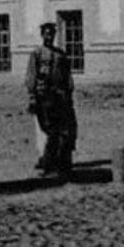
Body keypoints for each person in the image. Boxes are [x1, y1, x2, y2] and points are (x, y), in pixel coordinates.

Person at [25, 22, 77, 180]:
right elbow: (31, 75)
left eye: (52, 34)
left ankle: (63, 165)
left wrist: (69, 93)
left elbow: (67, 76)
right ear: (42, 35)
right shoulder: (37, 53)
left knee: (67, 131)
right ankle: (48, 165)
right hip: (44, 97)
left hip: (60, 97)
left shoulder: (61, 54)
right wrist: (32, 97)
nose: (49, 37)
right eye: (47, 34)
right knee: (51, 131)